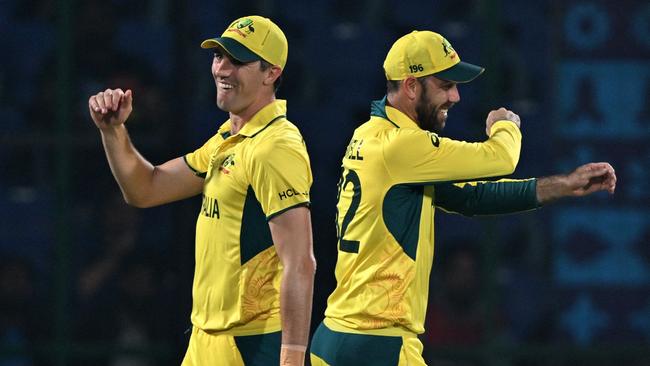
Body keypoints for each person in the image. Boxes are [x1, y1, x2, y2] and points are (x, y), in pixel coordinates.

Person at [309, 30, 616, 365]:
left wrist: (564, 185)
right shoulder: (402, 146)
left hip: (336, 335)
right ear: (411, 86)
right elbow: (501, 158)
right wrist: (506, 125)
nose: (455, 96)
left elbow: (470, 198)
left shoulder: (370, 135)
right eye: (445, 85)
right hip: (378, 343)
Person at [88, 16, 315, 366]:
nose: (222, 69)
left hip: (249, 345)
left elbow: (300, 263)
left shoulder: (275, 147)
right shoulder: (227, 140)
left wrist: (293, 358)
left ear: (272, 73)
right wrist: (113, 131)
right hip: (206, 340)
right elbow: (144, 189)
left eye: (238, 61)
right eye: (218, 57)